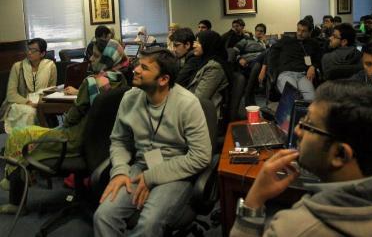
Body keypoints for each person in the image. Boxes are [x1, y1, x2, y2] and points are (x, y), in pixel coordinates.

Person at [230, 80, 372, 237]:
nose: (296, 130)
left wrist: (254, 200)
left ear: (340, 154)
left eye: (308, 125)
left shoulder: (293, 228)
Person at [0, 39, 129, 213]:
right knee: (26, 132)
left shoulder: (92, 82)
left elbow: (70, 119)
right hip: (99, 146)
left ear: (107, 58)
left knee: (19, 135)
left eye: (96, 55)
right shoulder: (121, 81)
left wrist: (70, 113)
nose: (90, 58)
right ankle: (14, 180)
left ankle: (16, 199)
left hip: (72, 141)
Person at [93, 48, 211, 237]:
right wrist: (120, 171)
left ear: (163, 79)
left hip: (176, 172)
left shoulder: (187, 104)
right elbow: (119, 140)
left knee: (148, 224)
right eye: (138, 65)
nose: (136, 70)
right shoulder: (130, 98)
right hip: (141, 166)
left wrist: (151, 177)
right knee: (103, 216)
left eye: (144, 68)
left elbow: (201, 157)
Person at [0, 38, 57, 134]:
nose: (29, 52)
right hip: (19, 103)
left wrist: (40, 103)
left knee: (35, 112)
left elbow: (51, 90)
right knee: (30, 112)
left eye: (33, 50)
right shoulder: (17, 67)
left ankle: (35, 142)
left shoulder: (50, 66)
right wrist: (28, 102)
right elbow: (11, 94)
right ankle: (24, 142)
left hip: (40, 103)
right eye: (28, 49)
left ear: (42, 54)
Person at [272, 19, 323, 101]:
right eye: (298, 30)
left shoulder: (313, 44)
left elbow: (319, 57)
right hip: (286, 74)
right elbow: (270, 52)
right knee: (293, 97)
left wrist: (313, 66)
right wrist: (265, 68)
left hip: (303, 75)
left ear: (310, 32)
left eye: (303, 31)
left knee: (311, 99)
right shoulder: (286, 40)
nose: (299, 33)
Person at [187, 30, 229, 117]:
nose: (194, 45)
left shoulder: (214, 67)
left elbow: (199, 99)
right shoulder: (202, 61)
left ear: (208, 44)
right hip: (193, 108)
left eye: (198, 42)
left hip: (204, 115)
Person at [233, 23, 268, 106]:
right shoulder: (246, 40)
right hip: (249, 62)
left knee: (266, 54)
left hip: (261, 64)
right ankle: (249, 95)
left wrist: (265, 44)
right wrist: (239, 59)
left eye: (261, 31)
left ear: (264, 33)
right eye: (257, 30)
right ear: (255, 31)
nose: (259, 32)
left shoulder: (264, 43)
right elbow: (234, 50)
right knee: (266, 53)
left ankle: (248, 95)